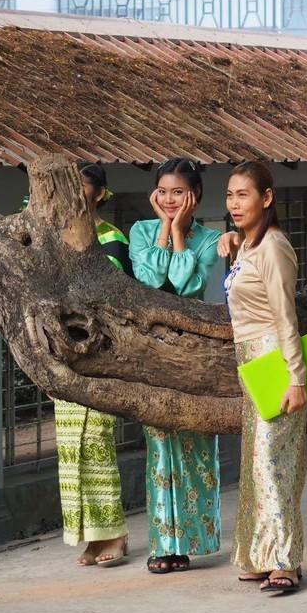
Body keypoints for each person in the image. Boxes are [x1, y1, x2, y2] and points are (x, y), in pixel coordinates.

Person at [129, 158, 223, 574]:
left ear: (195, 196)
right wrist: (165, 230)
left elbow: (188, 287)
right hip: (151, 351)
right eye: (163, 191)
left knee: (195, 442)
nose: (170, 199)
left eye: (179, 192)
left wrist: (181, 237)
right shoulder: (140, 232)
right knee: (160, 445)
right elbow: (149, 281)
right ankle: (163, 544)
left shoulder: (209, 240)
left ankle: (193, 540)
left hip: (193, 352)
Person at [221, 160, 307, 594]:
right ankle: (258, 554)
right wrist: (232, 242)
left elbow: (284, 316)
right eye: (230, 195)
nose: (235, 203)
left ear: (267, 198)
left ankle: (286, 560)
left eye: (244, 195)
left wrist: (297, 378)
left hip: (275, 360)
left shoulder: (274, 246)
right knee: (256, 465)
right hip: (250, 364)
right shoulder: (248, 246)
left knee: (276, 465)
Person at [54, 162, 131, 567]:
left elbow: (116, 299)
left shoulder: (111, 239)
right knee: (69, 450)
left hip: (99, 354)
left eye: (81, 188)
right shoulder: (52, 238)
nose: (73, 195)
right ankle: (89, 536)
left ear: (99, 194)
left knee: (98, 445)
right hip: (63, 355)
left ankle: (114, 534)